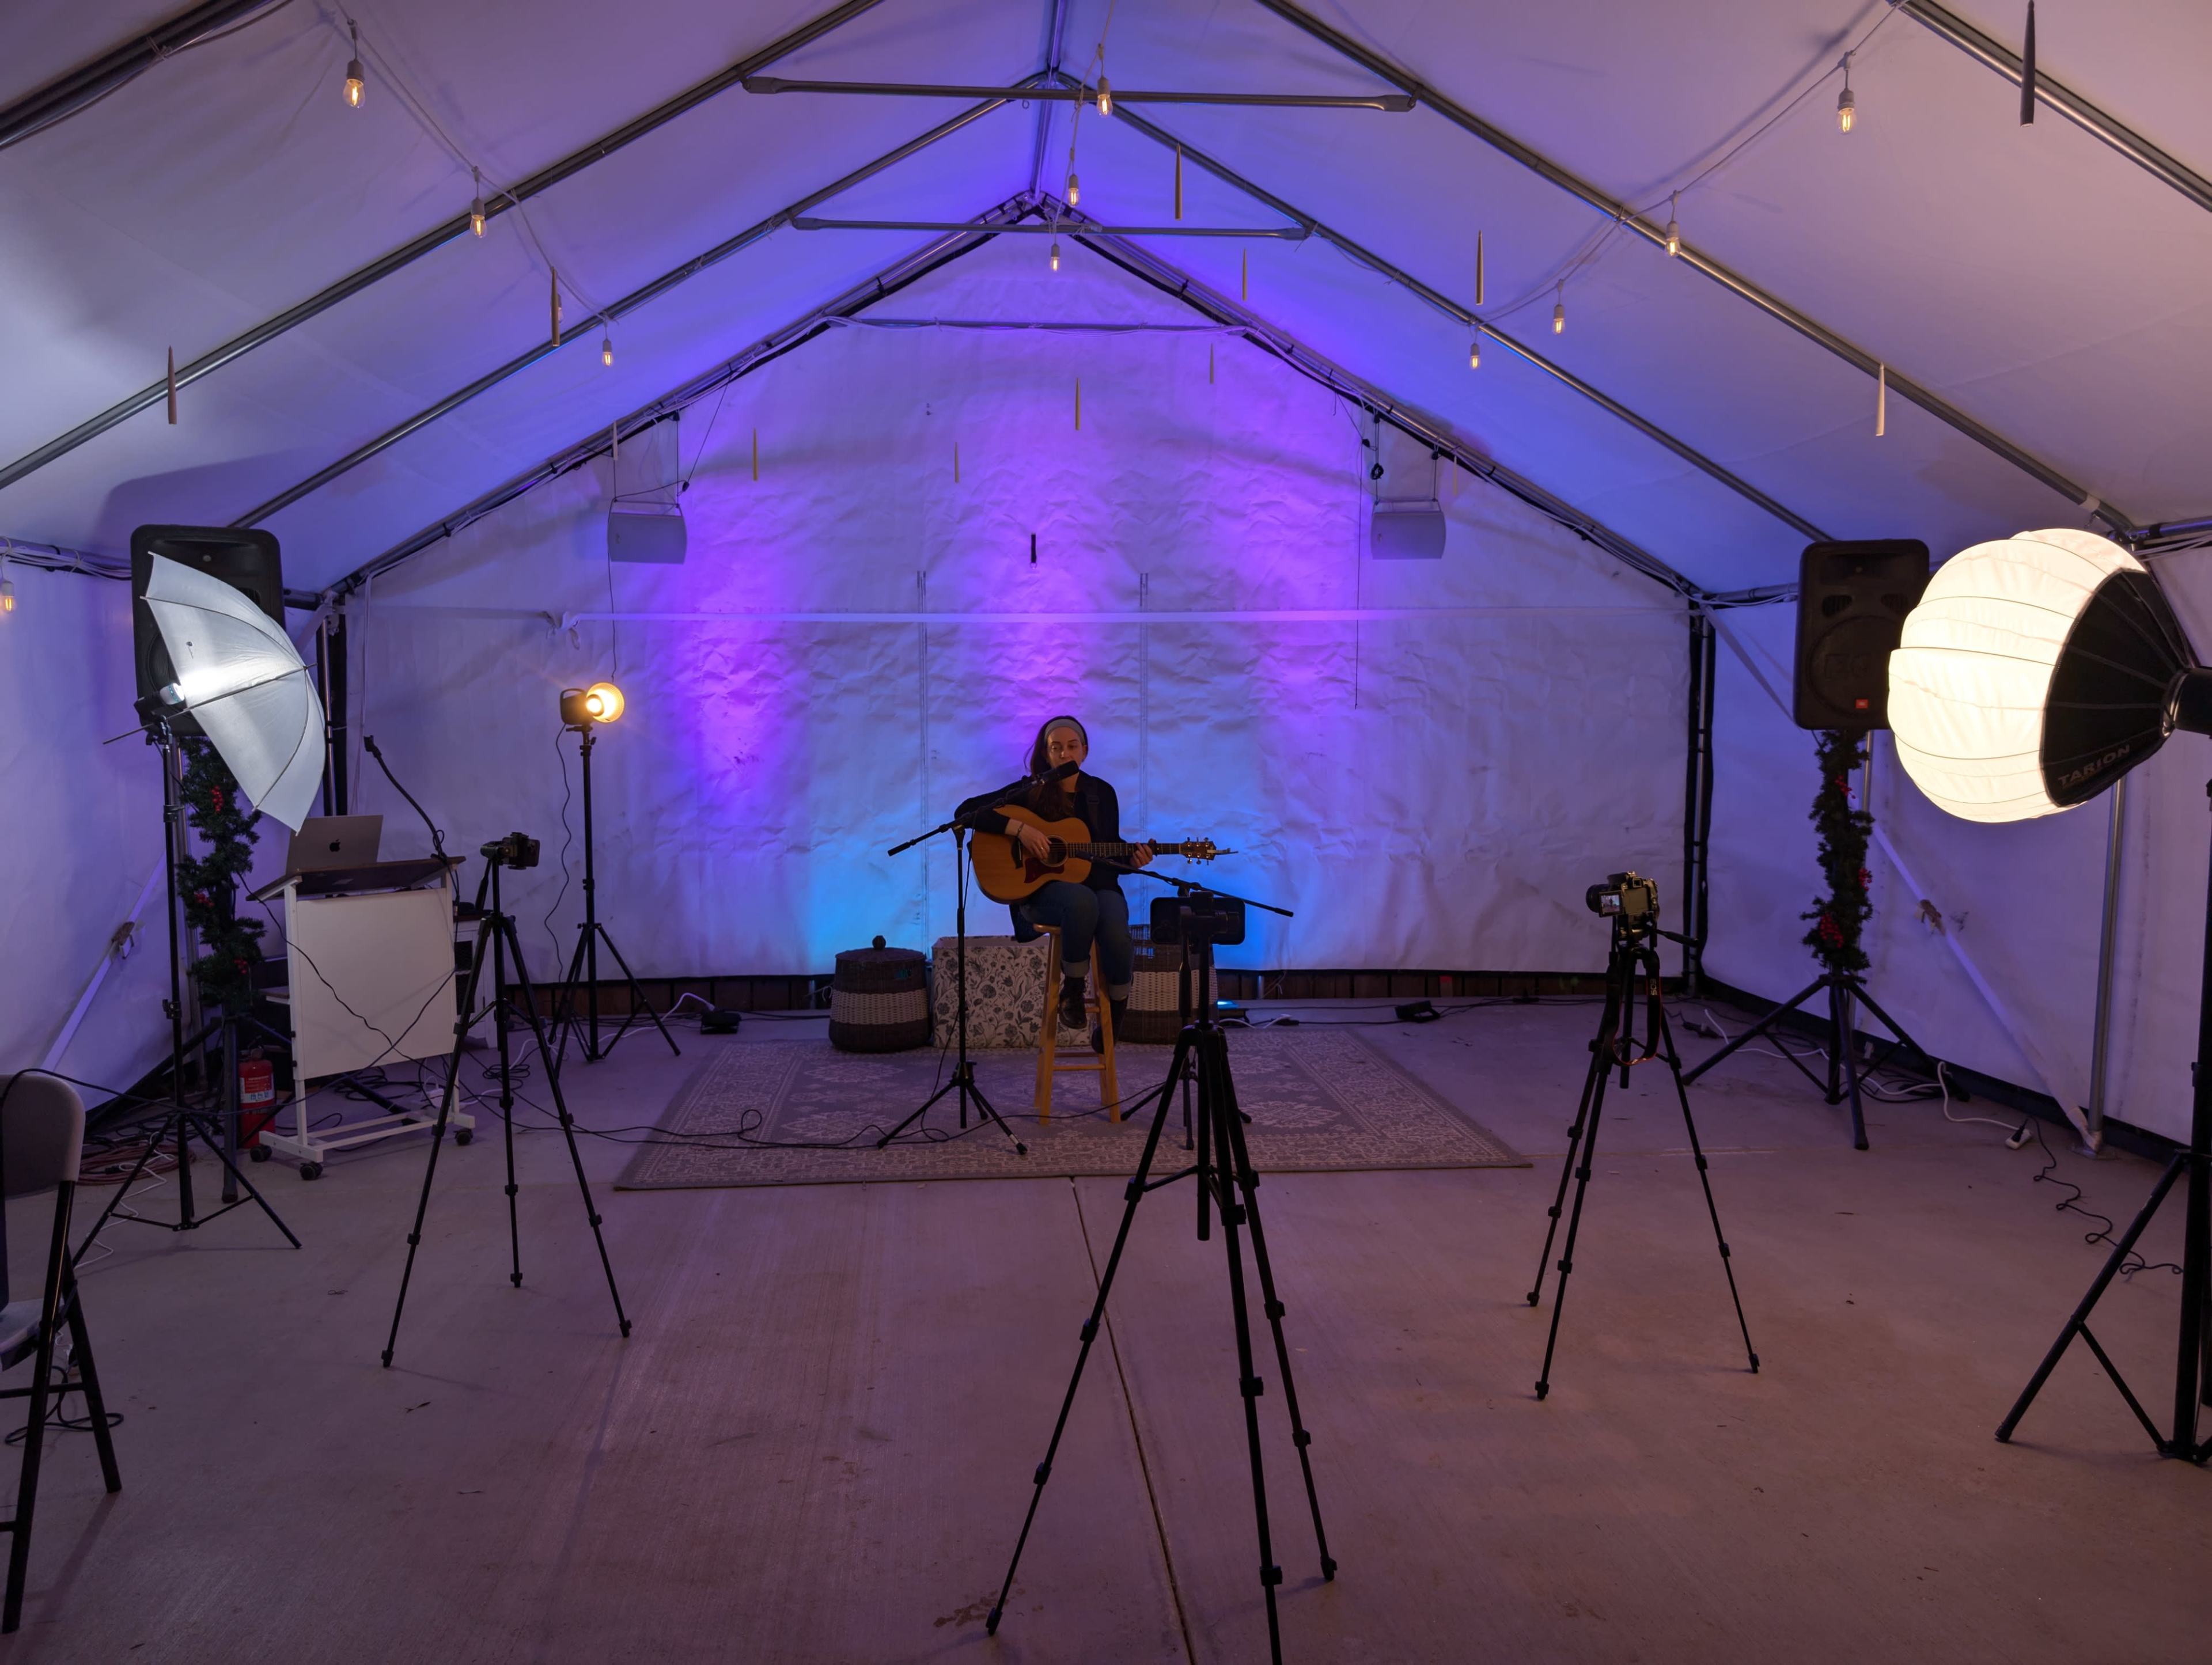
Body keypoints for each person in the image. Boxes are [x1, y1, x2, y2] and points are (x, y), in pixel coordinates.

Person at [957, 716, 1151, 1046]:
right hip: (1044, 893)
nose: (1064, 754)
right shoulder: (1030, 791)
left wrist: (1132, 859)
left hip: (1098, 885)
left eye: (1072, 746)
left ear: (1085, 751)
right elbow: (966, 811)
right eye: (1056, 748)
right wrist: (1021, 829)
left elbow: (1109, 851)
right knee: (1081, 902)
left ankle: (1116, 1015)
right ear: (1046, 754)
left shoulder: (1102, 793)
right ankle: (1073, 990)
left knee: (1117, 930)